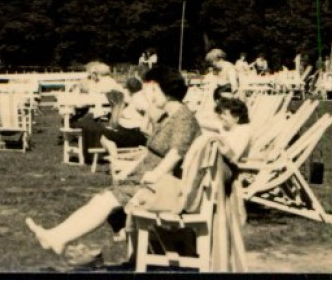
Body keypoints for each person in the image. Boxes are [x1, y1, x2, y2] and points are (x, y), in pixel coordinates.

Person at [25, 67, 200, 259]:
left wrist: (155, 175)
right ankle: (58, 236)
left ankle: (58, 238)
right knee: (103, 198)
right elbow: (150, 152)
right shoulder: (169, 117)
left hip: (166, 188)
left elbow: (175, 154)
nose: (150, 94)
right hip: (153, 182)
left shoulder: (183, 118)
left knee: (106, 200)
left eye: (153, 89)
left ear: (165, 91)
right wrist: (130, 170)